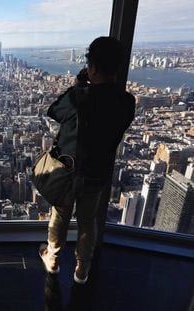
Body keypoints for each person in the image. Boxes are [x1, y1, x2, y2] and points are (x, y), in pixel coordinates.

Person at [39, 37, 135, 284]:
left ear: (92, 68)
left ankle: (53, 260)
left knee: (59, 215)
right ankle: (82, 270)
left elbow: (54, 111)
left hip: (68, 172)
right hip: (97, 173)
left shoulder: (80, 97)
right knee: (87, 222)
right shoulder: (127, 102)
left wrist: (79, 85)